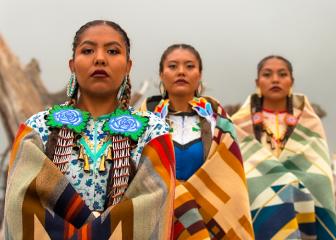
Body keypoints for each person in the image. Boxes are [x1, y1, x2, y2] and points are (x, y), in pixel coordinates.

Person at [4, 20, 175, 239]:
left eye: (113, 51)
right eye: (88, 50)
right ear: (72, 64)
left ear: (128, 66)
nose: (100, 58)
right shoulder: (38, 129)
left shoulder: (153, 132)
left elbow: (151, 210)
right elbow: (20, 207)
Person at [140, 44, 254, 239]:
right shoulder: (143, 121)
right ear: (161, 74)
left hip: (207, 220)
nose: (181, 72)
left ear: (199, 74)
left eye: (190, 66)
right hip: (156, 221)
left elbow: (230, 179)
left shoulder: (217, 122)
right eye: (173, 66)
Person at [231, 55, 336, 239]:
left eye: (282, 74)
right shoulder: (238, 124)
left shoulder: (309, 122)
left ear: (291, 81)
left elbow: (319, 173)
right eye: (267, 74)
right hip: (255, 204)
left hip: (304, 204)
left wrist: (290, 182)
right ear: (257, 82)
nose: (275, 80)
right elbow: (235, 169)